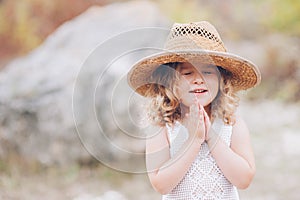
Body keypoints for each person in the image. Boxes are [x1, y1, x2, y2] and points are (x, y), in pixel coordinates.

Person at [127, 21, 261, 199]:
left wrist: (211, 136)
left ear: (222, 79)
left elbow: (244, 179)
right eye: (187, 73)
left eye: (207, 72)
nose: (198, 79)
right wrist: (193, 140)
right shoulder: (163, 125)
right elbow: (161, 185)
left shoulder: (231, 122)